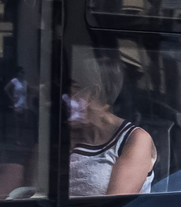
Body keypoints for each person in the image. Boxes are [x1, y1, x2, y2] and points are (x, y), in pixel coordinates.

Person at [66, 68, 156, 197]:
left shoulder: (135, 139)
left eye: (71, 90)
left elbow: (115, 206)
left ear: (92, 93)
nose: (62, 98)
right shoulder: (60, 136)